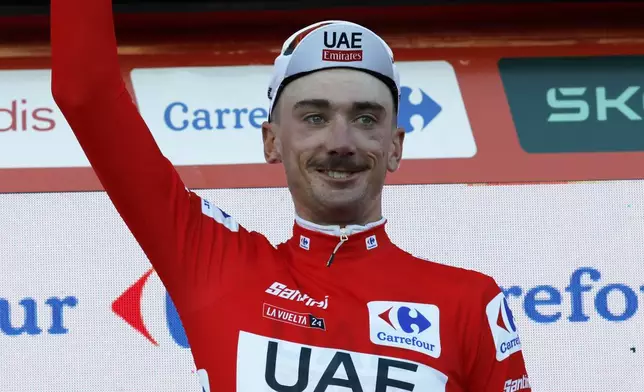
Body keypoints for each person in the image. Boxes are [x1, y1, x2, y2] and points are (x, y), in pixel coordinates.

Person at [51, 0, 532, 390]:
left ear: (394, 146)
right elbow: (84, 92)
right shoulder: (214, 261)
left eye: (366, 118)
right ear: (271, 141)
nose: (341, 141)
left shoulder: (468, 302)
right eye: (314, 117)